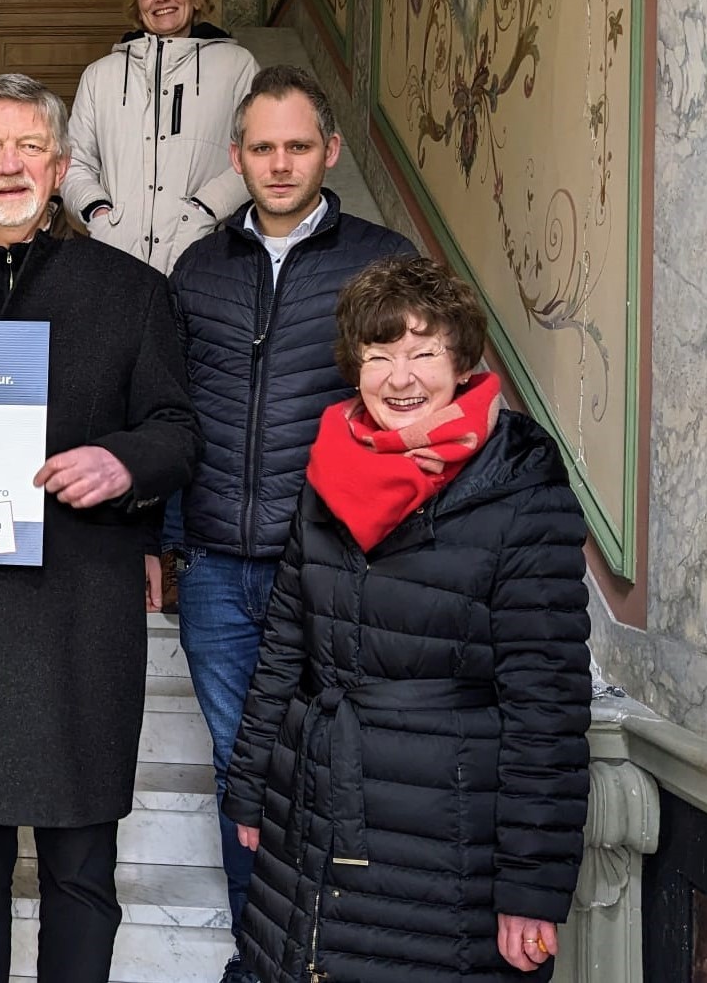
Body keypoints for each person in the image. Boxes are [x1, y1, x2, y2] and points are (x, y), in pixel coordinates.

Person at [0, 73, 202, 982]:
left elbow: (180, 432)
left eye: (31, 148)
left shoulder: (132, 291)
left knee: (82, 871)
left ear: (60, 168)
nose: (10, 164)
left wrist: (123, 462)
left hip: (83, 611)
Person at [222, 255, 592, 981]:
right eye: (379, 353)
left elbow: (547, 705)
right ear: (353, 365)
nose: (401, 376)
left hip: (447, 838)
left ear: (460, 361)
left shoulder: (519, 486)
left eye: (423, 352)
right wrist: (250, 785)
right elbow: (285, 645)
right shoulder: (327, 468)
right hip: (314, 807)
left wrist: (530, 888)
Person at [166, 64, 414, 979]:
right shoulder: (198, 268)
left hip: (336, 567)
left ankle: (334, 953)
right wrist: (166, 540)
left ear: (331, 151)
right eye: (262, 147)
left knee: (343, 769)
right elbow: (175, 414)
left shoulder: (383, 263)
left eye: (297, 145)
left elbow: (420, 407)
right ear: (237, 156)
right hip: (220, 574)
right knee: (244, 772)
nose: (279, 163)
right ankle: (260, 956)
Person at [62, 0, 259, 276]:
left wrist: (203, 211)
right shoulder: (100, 75)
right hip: (116, 262)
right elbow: (74, 161)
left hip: (206, 260)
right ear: (137, 3)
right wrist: (99, 214)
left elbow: (256, 153)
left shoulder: (238, 66)